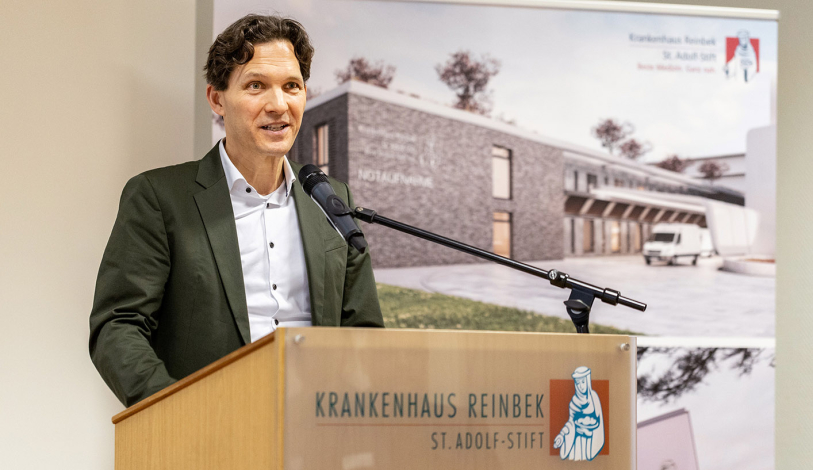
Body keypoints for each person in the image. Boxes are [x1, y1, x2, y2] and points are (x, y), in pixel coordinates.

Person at [89, 14, 384, 407]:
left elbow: (362, 329)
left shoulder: (331, 198)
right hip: (207, 430)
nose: (278, 105)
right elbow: (118, 325)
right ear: (217, 99)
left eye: (292, 86)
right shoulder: (159, 198)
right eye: (256, 86)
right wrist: (173, 407)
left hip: (315, 430)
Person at [553, 366, 605, 461]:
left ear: (588, 381)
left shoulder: (594, 398)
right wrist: (561, 435)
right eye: (578, 383)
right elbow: (571, 423)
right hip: (577, 443)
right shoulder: (574, 401)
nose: (581, 386)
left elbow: (599, 421)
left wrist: (589, 432)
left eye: (583, 382)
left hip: (591, 442)